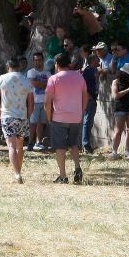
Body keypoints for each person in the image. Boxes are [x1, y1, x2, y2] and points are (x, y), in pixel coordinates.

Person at [45, 52, 88, 184]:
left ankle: (63, 175)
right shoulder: (79, 77)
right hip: (76, 117)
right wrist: (81, 111)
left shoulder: (53, 79)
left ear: (56, 65)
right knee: (73, 144)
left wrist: (49, 117)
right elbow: (85, 96)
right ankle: (77, 167)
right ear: (69, 63)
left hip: (59, 117)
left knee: (60, 147)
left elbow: (48, 102)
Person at [0, 58, 33, 183]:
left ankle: (17, 173)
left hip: (7, 115)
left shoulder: (2, 78)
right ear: (19, 67)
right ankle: (19, 171)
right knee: (20, 146)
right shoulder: (26, 79)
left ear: (8, 67)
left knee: (11, 145)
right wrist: (28, 115)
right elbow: (31, 101)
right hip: (22, 116)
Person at [109, 64, 129, 159]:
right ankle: (114, 151)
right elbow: (115, 96)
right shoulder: (116, 82)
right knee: (118, 131)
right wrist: (128, 89)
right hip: (120, 108)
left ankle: (127, 151)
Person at [26, 52, 49, 150]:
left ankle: (38, 142)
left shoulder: (47, 73)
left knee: (41, 123)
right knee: (33, 123)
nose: (37, 62)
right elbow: (34, 84)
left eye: (39, 60)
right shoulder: (31, 72)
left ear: (43, 60)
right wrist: (44, 84)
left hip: (45, 101)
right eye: (35, 60)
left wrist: (41, 84)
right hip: (34, 101)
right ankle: (30, 142)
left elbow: (49, 85)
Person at [81, 54, 100, 153]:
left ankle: (86, 143)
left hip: (93, 98)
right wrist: (90, 97)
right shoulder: (87, 71)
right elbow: (84, 86)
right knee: (87, 122)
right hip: (89, 99)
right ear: (93, 60)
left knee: (89, 122)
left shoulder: (94, 70)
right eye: (97, 59)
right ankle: (85, 145)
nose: (99, 60)